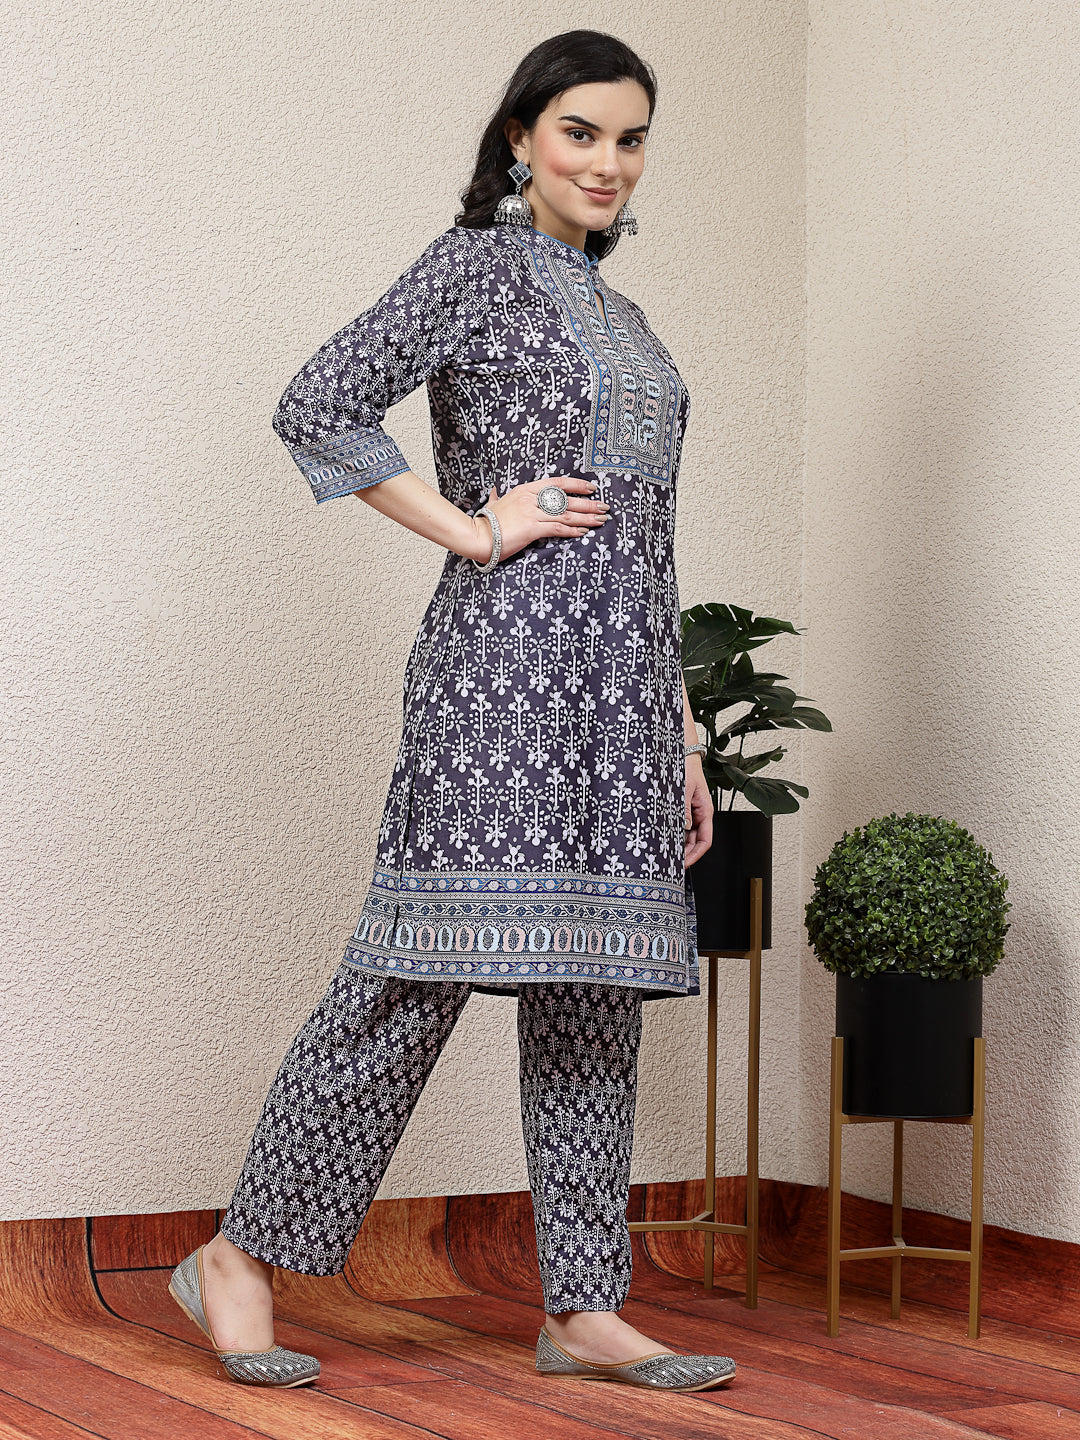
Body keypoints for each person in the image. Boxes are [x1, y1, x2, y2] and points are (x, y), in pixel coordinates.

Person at [168, 29, 736, 1395]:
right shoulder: (474, 267)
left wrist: (682, 731)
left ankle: (583, 1306)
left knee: (595, 991)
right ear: (521, 139)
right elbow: (319, 404)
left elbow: (651, 543)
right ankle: (239, 1256)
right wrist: (476, 530)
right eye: (581, 132)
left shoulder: (628, 321)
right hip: (498, 682)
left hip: (622, 701)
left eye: (631, 138)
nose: (608, 161)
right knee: (408, 975)